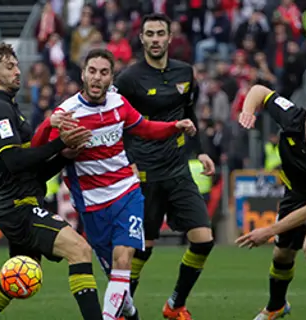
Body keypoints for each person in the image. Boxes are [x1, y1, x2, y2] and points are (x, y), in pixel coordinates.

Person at [32, 48, 198, 320]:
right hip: (92, 205)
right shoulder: (67, 111)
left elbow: (144, 127)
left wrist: (174, 126)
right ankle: (130, 312)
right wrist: (48, 125)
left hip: (126, 192)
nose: (97, 78)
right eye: (93, 71)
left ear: (111, 77)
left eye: (104, 72)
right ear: (83, 74)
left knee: (124, 260)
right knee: (117, 282)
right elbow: (37, 147)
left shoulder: (118, 103)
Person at [0, 43, 103, 320]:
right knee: (80, 250)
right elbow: (15, 160)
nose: (18, 71)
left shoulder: (3, 108)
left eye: (17, 65)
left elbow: (30, 171)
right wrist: (58, 144)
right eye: (10, 66)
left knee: (15, 278)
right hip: (19, 207)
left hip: (16, 202)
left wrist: (65, 154)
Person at [113, 13, 216, 320]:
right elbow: (115, 124)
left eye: (161, 33)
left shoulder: (185, 72)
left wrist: (201, 152)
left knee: (203, 240)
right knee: (142, 250)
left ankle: (175, 304)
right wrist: (126, 161)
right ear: (141, 38)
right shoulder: (129, 79)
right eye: (150, 34)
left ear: (170, 38)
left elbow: (189, 115)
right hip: (144, 173)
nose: (155, 39)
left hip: (178, 170)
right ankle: (121, 309)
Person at [235, 85, 306, 320]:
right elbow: (259, 91)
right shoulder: (294, 117)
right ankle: (276, 306)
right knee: (281, 256)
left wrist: (267, 231)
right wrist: (248, 111)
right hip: (296, 192)